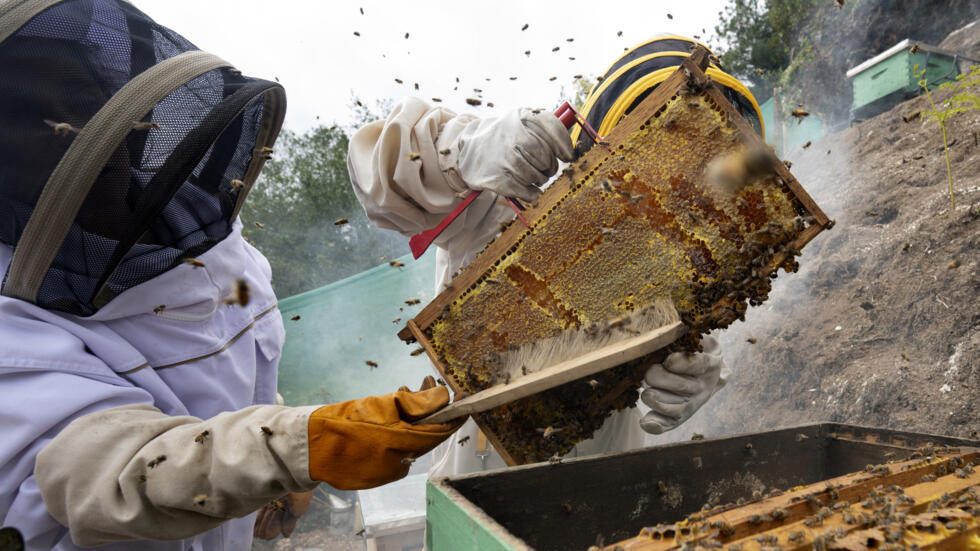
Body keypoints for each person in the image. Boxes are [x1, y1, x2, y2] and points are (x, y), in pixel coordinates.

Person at [0, 1, 459, 549]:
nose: (69, 132)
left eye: (80, 101)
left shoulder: (219, 250)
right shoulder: (15, 326)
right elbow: (102, 470)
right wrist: (289, 448)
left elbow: (226, 365)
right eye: (31, 119)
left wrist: (270, 466)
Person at [348, 35, 764, 476]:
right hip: (483, 489)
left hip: (606, 494)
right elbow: (376, 174)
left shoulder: (681, 261)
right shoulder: (503, 195)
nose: (672, 195)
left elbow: (692, 342)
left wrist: (701, 372)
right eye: (665, 163)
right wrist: (461, 149)